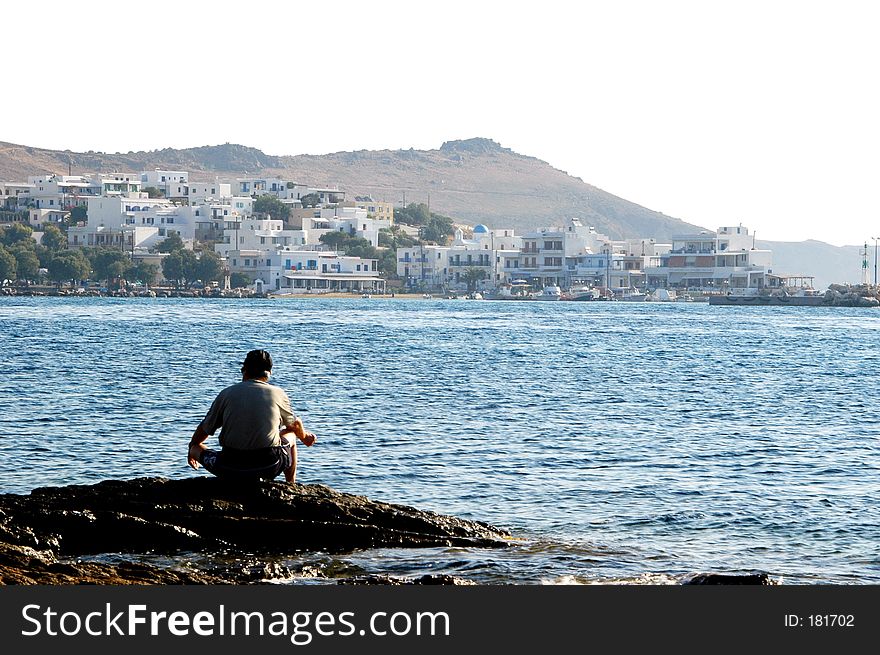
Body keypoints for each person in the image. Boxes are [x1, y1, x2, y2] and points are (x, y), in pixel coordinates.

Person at [187, 349, 316, 484]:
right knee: (290, 434)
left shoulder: (226, 393)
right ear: (269, 373)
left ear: (244, 370)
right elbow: (294, 426)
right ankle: (291, 484)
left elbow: (204, 429)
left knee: (195, 448)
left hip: (229, 467)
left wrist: (192, 448)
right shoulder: (277, 393)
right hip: (268, 466)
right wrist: (305, 437)